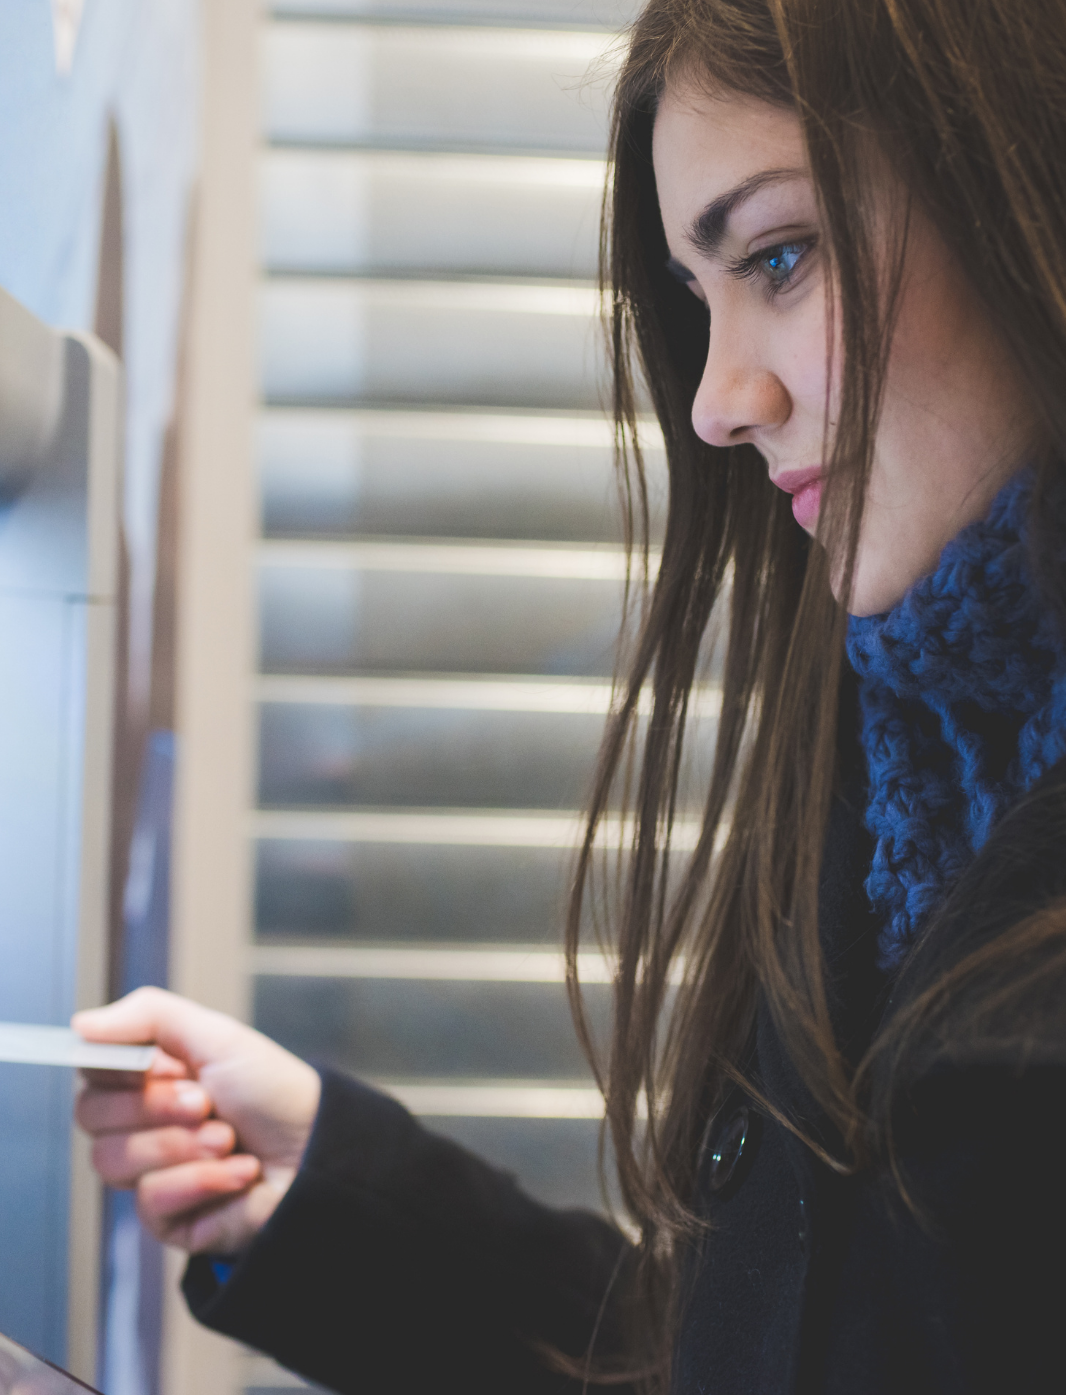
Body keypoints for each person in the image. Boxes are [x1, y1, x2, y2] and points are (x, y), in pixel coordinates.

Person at [73, 0, 1066, 1389]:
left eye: (780, 256)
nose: (720, 398)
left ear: (1019, 182)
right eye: (696, 296)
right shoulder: (895, 751)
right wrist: (338, 1187)